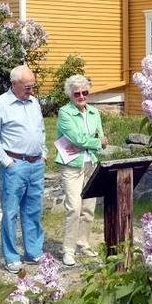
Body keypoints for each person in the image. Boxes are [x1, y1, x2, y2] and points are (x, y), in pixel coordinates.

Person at [0, 65, 47, 273]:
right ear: (14, 84)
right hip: (15, 166)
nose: (31, 89)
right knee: (10, 212)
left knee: (33, 211)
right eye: (27, 86)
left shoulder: (34, 102)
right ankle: (11, 257)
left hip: (36, 164)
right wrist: (7, 162)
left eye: (32, 86)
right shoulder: (0, 104)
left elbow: (41, 130)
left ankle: (33, 251)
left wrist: (43, 153)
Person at [55, 74, 108, 266]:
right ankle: (68, 250)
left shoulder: (94, 113)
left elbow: (101, 139)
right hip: (71, 165)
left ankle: (83, 243)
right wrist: (95, 142)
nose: (81, 96)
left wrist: (95, 142)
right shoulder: (65, 113)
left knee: (88, 208)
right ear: (70, 94)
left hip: (90, 163)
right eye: (77, 93)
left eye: (84, 92)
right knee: (74, 208)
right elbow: (77, 139)